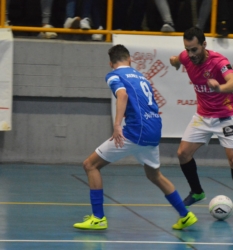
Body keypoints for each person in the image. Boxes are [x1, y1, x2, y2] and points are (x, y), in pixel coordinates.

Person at [73, 44, 198, 230]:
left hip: (135, 131)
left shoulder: (114, 75)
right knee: (154, 174)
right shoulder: (142, 77)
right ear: (129, 60)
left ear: (111, 63)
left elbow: (122, 96)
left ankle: (98, 218)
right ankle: (185, 214)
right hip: (154, 129)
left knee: (90, 165)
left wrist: (117, 126)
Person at [169, 27, 233, 219]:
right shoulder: (186, 57)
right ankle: (197, 191)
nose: (191, 54)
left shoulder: (219, 62)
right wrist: (174, 62)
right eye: (187, 49)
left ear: (204, 45)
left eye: (194, 50)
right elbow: (177, 59)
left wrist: (220, 87)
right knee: (183, 154)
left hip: (225, 115)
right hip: (203, 116)